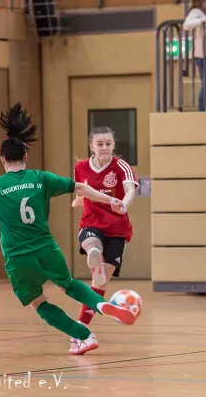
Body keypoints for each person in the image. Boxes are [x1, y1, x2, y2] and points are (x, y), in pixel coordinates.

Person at [0, 103, 137, 354]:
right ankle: (100, 305)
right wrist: (110, 199)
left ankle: (83, 335)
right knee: (68, 284)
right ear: (26, 157)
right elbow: (81, 188)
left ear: (2, 160)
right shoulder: (41, 178)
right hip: (46, 248)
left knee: (38, 301)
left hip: (17, 257)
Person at [70, 126, 139, 355]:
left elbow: (130, 190)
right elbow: (80, 194)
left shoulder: (120, 166)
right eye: (100, 144)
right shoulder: (80, 167)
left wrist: (124, 205)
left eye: (108, 143)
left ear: (113, 145)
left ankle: (80, 327)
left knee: (99, 284)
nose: (105, 148)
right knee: (92, 244)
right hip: (91, 224)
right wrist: (78, 201)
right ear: (91, 146)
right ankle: (93, 254)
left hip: (118, 230)